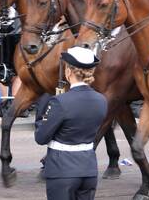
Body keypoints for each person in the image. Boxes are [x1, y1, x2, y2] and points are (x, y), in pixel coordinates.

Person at [34, 47, 108, 200]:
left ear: (69, 71)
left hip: (62, 170)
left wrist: (41, 116)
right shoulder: (101, 100)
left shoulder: (60, 102)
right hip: (88, 168)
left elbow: (41, 137)